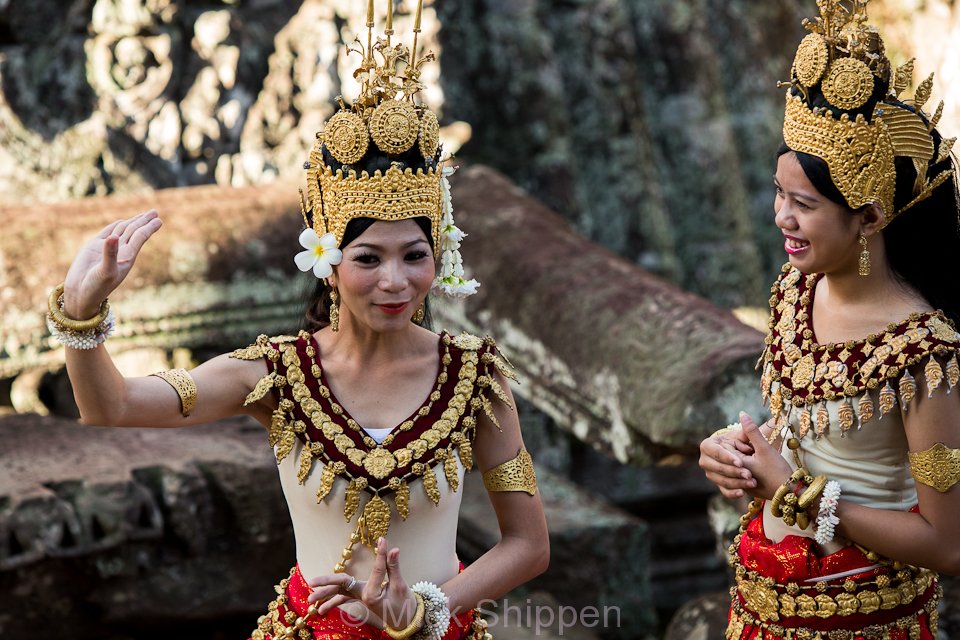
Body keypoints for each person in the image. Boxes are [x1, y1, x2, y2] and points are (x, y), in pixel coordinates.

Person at [46, 3, 549, 639]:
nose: (395, 281)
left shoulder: (475, 378)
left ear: (438, 256)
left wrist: (425, 608)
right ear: (328, 262)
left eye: (414, 256)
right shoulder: (275, 374)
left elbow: (528, 544)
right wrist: (82, 310)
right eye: (368, 258)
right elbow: (111, 406)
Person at [698, 1, 960, 638]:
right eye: (779, 193)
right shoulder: (797, 287)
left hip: (864, 615)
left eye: (804, 204)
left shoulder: (924, 354)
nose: (781, 217)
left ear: (870, 218)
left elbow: (947, 545)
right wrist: (740, 456)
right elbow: (809, 430)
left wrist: (792, 492)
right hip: (761, 595)